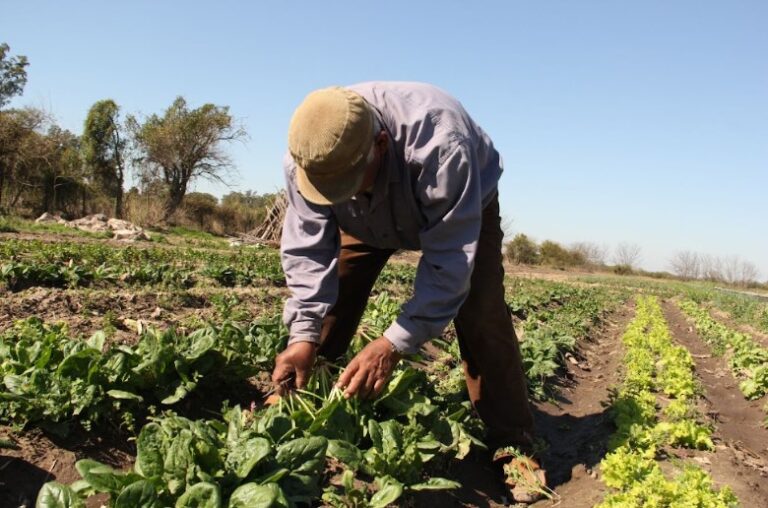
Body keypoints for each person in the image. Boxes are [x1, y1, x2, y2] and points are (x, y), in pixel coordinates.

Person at [271, 81, 546, 503]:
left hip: (457, 202)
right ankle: (303, 393)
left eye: (348, 180)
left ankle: (514, 441)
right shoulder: (310, 155)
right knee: (335, 292)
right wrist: (302, 335)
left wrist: (393, 343)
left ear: (381, 144)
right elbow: (308, 251)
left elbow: (450, 263)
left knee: (480, 308)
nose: (338, 191)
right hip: (364, 217)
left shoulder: (441, 144)